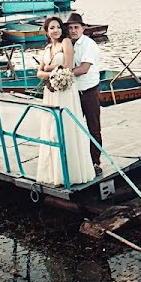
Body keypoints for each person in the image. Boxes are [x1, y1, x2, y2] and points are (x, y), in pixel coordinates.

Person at [35, 17, 96, 186]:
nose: (56, 30)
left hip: (65, 92)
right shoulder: (47, 48)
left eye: (58, 27)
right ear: (47, 31)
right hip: (50, 92)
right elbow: (38, 73)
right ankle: (56, 172)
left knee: (68, 128)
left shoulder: (66, 43)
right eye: (52, 28)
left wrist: (48, 70)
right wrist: (51, 73)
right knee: (52, 129)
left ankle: (75, 171)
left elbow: (68, 68)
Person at [66, 12, 104, 175]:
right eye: (70, 28)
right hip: (73, 92)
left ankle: (95, 161)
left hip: (89, 91)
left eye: (76, 27)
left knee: (93, 127)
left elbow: (84, 69)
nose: (73, 30)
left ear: (83, 28)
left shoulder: (89, 45)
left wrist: (62, 73)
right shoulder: (67, 44)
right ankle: (77, 161)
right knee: (72, 127)